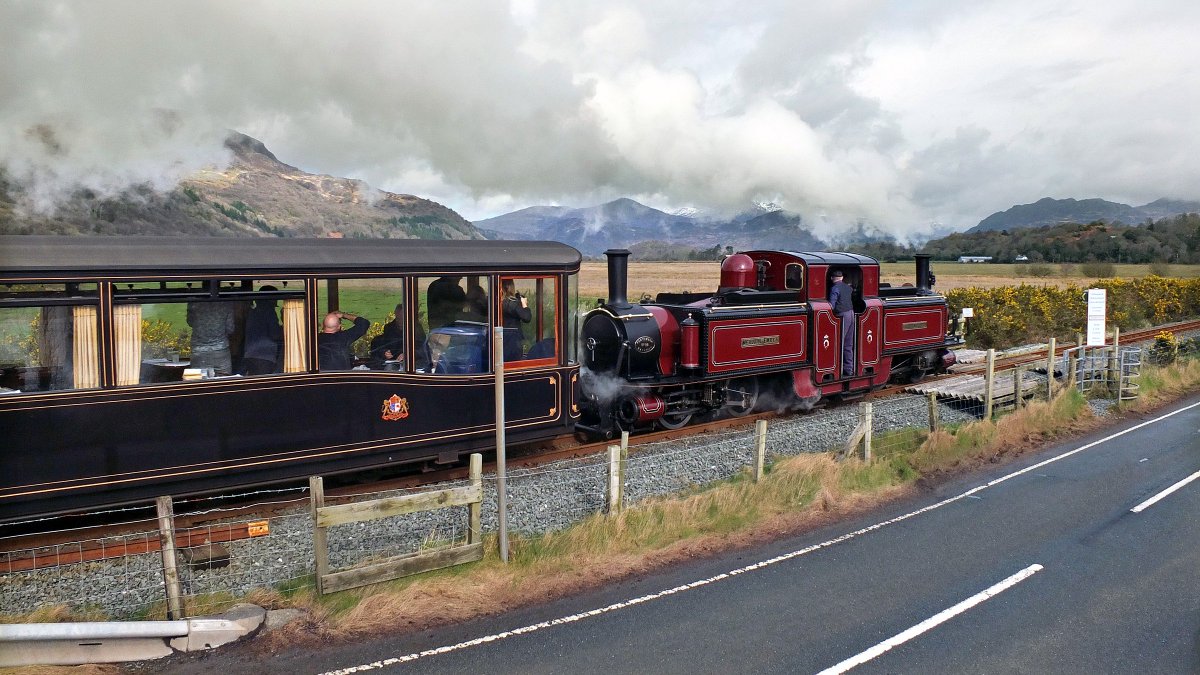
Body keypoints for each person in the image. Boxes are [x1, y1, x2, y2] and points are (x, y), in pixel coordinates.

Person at [241, 286, 284, 375]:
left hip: (250, 354)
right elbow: (275, 335)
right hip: (264, 357)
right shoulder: (270, 312)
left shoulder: (253, 311)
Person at [187, 301, 236, 376]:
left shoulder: (193, 303)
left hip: (199, 350)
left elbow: (190, 322)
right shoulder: (226, 304)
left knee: (199, 382)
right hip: (221, 351)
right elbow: (230, 328)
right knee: (223, 382)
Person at [829, 269, 855, 378]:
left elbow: (832, 305)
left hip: (842, 315)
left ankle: (835, 369)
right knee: (848, 344)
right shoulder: (848, 288)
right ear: (842, 278)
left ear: (831, 278)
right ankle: (848, 369)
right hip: (851, 313)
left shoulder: (834, 288)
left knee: (838, 343)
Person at [500, 279, 532, 361]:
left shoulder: (496, 301)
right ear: (510, 287)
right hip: (512, 341)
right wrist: (524, 304)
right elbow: (527, 317)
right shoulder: (511, 303)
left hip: (499, 338)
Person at [369, 303, 406, 369]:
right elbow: (383, 344)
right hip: (394, 362)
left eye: (402, 318)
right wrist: (385, 352)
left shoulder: (415, 329)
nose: (400, 321)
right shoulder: (389, 328)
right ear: (395, 315)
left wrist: (407, 354)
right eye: (398, 318)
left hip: (413, 363)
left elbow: (421, 348)